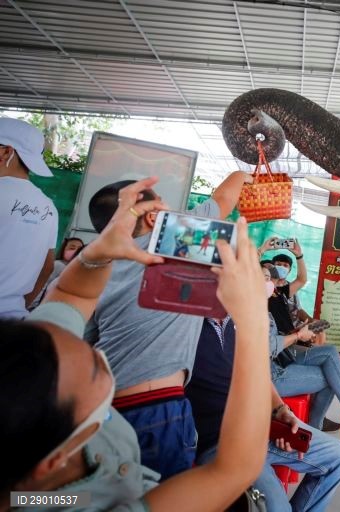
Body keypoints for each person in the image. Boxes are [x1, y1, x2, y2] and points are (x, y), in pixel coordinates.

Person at [0, 178, 272, 511]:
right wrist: (255, 319)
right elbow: (234, 469)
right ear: (54, 459)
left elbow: (72, 296)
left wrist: (97, 254)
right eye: (95, 366)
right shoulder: (176, 240)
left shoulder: (41, 360)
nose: (100, 354)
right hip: (161, 409)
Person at [84, 170, 253, 480]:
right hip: (157, 410)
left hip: (101, 413)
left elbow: (83, 341)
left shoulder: (87, 267)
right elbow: (224, 199)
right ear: (151, 218)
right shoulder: (170, 238)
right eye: (162, 205)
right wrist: (246, 173)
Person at [187, 274, 340, 512]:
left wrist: (280, 411)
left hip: (261, 429)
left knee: (339, 456)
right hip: (222, 443)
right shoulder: (186, 330)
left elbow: (259, 374)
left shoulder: (238, 325)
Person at [265, 265, 340, 442]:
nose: (271, 279)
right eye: (265, 277)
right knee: (331, 377)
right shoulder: (252, 308)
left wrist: (302, 330)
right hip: (271, 375)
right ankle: (319, 429)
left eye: (270, 277)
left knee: (330, 353)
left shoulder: (276, 296)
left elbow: (292, 316)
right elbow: (267, 346)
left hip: (281, 356)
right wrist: (298, 335)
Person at [0, 118, 59, 319]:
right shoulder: (48, 206)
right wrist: (18, 306)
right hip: (14, 318)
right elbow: (48, 266)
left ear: (6, 152)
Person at [29, 237, 86, 309]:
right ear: (63, 250)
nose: (76, 251)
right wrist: (34, 306)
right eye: (72, 248)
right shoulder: (59, 265)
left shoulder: (69, 267)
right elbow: (43, 286)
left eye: (79, 248)